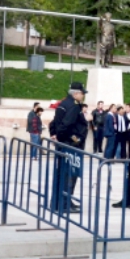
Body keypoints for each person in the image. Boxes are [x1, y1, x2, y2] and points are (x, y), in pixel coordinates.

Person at [49, 82, 88, 213]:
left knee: (62, 174)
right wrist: (74, 139)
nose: (83, 96)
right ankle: (64, 203)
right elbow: (66, 125)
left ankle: (58, 201)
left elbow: (54, 123)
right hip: (70, 145)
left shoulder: (63, 104)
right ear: (76, 93)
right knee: (69, 174)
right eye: (82, 93)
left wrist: (55, 135)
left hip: (64, 144)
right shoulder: (73, 106)